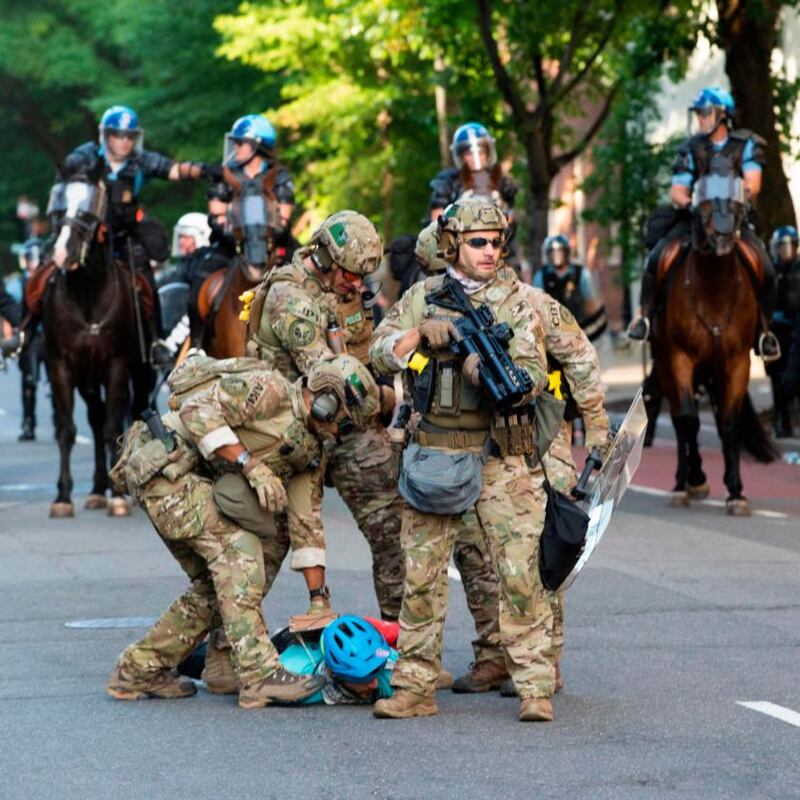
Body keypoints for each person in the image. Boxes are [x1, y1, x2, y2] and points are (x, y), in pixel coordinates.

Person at [369, 198, 557, 722]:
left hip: (501, 458)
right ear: (452, 245)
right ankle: (413, 687)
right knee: (422, 578)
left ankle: (535, 686)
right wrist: (420, 337)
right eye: (478, 242)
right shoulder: (424, 296)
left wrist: (486, 368)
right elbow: (379, 351)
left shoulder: (517, 300)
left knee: (521, 575)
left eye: (496, 242)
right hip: (435, 453)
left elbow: (533, 372)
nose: (490, 251)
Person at [106, 353, 380, 708]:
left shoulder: (309, 450)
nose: (338, 435)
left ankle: (138, 669)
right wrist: (250, 465)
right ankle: (259, 676)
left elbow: (306, 523)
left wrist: (318, 599)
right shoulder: (270, 390)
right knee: (239, 557)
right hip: (165, 471)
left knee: (216, 584)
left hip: (183, 482)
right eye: (343, 424)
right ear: (327, 402)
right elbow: (196, 411)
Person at [245, 210, 405, 623]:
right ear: (325, 256)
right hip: (291, 431)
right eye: (350, 274)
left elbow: (363, 353)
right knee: (265, 548)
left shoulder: (341, 285)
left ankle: (403, 644)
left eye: (360, 277)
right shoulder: (290, 297)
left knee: (392, 528)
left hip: (348, 428)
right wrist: (386, 399)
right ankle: (225, 651)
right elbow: (331, 377)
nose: (355, 284)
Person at [627, 86, 779, 358]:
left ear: (723, 115)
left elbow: (753, 184)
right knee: (657, 258)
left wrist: (734, 201)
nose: (700, 119)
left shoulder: (746, 145)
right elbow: (677, 189)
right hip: (695, 221)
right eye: (698, 114)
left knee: (766, 267)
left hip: (734, 221)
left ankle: (765, 332)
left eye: (705, 113)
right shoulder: (690, 148)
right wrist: (691, 204)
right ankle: (645, 318)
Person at [60, 105, 212, 363]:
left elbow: (174, 170)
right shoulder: (85, 156)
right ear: (106, 136)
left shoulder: (141, 161)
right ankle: (26, 331)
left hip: (125, 235)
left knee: (145, 280)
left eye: (130, 136)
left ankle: (154, 341)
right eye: (119, 135)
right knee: (51, 271)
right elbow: (67, 173)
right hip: (88, 236)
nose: (125, 141)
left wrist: (207, 170)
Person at [211, 114, 296, 274]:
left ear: (257, 146)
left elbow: (283, 219)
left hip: (273, 245)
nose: (235, 147)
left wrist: (261, 237)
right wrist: (231, 231)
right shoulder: (224, 175)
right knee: (200, 273)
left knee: (305, 268)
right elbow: (217, 215)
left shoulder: (280, 176)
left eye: (240, 143)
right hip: (230, 247)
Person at [6, 239, 49, 440]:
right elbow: (7, 304)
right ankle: (28, 423)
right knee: (29, 382)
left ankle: (60, 420)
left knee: (58, 381)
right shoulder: (19, 283)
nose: (27, 261)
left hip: (51, 338)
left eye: (29, 257)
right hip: (30, 339)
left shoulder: (51, 279)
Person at [535, 234, 607, 342]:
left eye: (560, 252)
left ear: (567, 252)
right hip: (552, 334)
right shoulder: (541, 276)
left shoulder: (581, 274)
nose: (557, 256)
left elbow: (590, 305)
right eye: (553, 252)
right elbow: (536, 306)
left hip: (578, 329)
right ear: (548, 254)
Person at [766, 225, 800, 436]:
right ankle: (782, 421)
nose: (784, 251)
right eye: (781, 247)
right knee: (779, 381)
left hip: (797, 332)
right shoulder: (771, 271)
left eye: (788, 247)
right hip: (777, 334)